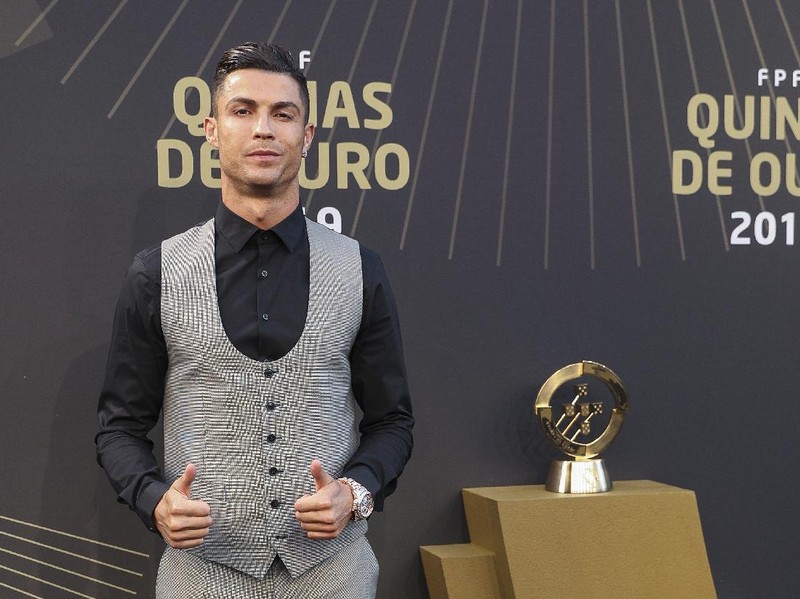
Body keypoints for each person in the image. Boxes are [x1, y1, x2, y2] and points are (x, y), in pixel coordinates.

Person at [95, 42, 413, 598]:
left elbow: (392, 422)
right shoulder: (156, 273)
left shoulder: (359, 268)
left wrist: (357, 492)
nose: (263, 129)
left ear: (307, 136)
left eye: (282, 114)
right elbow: (118, 428)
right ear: (212, 129)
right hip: (200, 575)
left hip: (333, 575)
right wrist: (154, 500)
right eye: (243, 111)